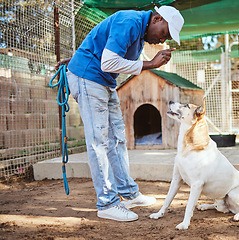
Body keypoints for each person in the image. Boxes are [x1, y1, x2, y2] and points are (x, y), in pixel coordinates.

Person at [56, 6, 184, 222]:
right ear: (157, 18)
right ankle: (106, 203)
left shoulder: (140, 32)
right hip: (89, 78)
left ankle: (129, 193)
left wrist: (76, 57)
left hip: (104, 81)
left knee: (118, 139)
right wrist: (150, 64)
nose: (161, 40)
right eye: (164, 33)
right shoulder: (130, 22)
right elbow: (108, 62)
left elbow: (102, 44)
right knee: (99, 141)